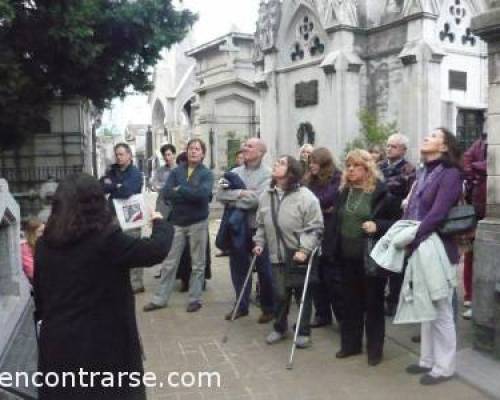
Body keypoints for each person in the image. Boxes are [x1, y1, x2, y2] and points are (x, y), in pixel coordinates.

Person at [33, 173, 173, 400]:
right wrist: (159, 222)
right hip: (105, 344)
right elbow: (155, 250)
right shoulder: (106, 240)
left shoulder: (44, 244)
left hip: (58, 343)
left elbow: (40, 298)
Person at [324, 149, 399, 366]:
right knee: (350, 303)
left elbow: (397, 224)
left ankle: (375, 350)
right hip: (346, 258)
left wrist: (378, 226)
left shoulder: (382, 193)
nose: (350, 170)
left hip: (370, 259)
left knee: (373, 305)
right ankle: (351, 345)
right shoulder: (344, 192)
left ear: (367, 169)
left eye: (356, 165)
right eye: (348, 165)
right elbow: (335, 223)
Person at [403, 127, 463, 385]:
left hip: (437, 246)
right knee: (425, 304)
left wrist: (411, 235)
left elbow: (438, 213)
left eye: (435, 135)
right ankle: (427, 360)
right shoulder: (422, 172)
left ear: (445, 147)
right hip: (419, 244)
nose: (427, 136)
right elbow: (412, 209)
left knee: (440, 307)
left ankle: (445, 366)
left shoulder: (450, 174)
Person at [253, 155, 323, 348]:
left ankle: (303, 331)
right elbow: (260, 224)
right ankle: (279, 327)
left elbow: (315, 227)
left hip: (299, 254)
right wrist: (259, 241)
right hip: (276, 254)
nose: (276, 164)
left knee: (302, 295)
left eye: (282, 163)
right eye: (277, 162)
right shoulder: (266, 195)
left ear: (292, 171)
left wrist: (305, 249)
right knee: (280, 294)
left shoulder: (306, 197)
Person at [143, 138, 214, 313]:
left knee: (198, 264)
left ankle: (195, 299)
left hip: (198, 222)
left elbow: (204, 195)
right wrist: (189, 193)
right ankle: (160, 299)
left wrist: (181, 190)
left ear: (203, 153)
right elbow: (166, 193)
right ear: (187, 151)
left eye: (197, 149)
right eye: (191, 148)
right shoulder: (177, 171)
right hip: (177, 222)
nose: (193, 151)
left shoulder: (206, 174)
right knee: (169, 262)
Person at [216, 138, 275, 323]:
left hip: (259, 229)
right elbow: (219, 194)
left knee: (265, 271)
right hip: (237, 229)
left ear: (260, 152)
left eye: (249, 146)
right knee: (238, 268)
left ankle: (268, 308)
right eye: (245, 145)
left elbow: (257, 200)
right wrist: (242, 192)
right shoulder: (232, 173)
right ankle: (241, 305)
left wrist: (234, 198)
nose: (244, 148)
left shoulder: (269, 175)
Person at [303, 147, 343, 328]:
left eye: (315, 162)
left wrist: (319, 204)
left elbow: (328, 198)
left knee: (332, 277)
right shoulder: (309, 179)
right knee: (315, 276)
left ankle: (342, 316)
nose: (311, 165)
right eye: (310, 162)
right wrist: (320, 206)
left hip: (331, 232)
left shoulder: (337, 177)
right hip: (313, 230)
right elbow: (306, 201)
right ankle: (322, 314)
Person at [379, 133, 416, 316]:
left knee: (396, 263)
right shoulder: (379, 167)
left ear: (403, 150)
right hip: (378, 218)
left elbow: (411, 197)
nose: (389, 149)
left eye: (393, 146)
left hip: (397, 220)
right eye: (388, 145)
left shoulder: (409, 170)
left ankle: (393, 300)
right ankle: (379, 297)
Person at [100, 143, 145, 294]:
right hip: (113, 214)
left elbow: (127, 191)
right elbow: (102, 186)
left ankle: (136, 283)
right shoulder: (111, 170)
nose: (118, 157)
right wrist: (116, 186)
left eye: (121, 154)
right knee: (115, 247)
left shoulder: (136, 173)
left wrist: (114, 186)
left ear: (129, 156)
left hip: (131, 214)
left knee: (133, 248)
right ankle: (119, 281)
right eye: (117, 154)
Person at [462, 133, 487, 320]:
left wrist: (478, 167)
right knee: (471, 253)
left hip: (491, 209)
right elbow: (466, 163)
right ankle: (470, 296)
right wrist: (478, 169)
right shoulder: (479, 142)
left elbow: (491, 166)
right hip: (477, 208)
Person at [20, 218, 45, 284]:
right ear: (32, 233)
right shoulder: (25, 247)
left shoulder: (43, 244)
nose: (44, 234)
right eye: (41, 231)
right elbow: (32, 272)